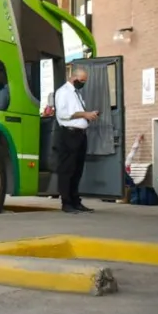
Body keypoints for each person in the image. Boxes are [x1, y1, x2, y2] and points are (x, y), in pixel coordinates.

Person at [54, 66, 98, 214]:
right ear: (74, 78)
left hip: (80, 134)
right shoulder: (63, 92)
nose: (83, 83)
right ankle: (66, 202)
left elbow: (79, 114)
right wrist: (84, 114)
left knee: (78, 169)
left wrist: (89, 116)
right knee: (67, 169)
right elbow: (63, 114)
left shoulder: (76, 94)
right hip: (69, 134)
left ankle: (75, 201)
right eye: (82, 80)